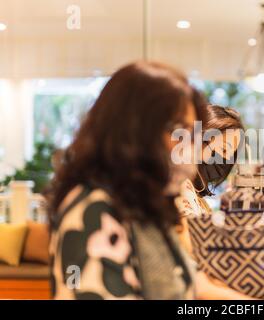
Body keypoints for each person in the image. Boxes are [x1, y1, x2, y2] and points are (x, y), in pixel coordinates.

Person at [47, 61, 205, 299]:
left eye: (192, 134)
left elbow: (188, 284)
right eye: (176, 130)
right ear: (134, 130)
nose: (187, 146)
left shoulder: (141, 204)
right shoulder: (94, 211)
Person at [175, 105, 252, 300]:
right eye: (224, 149)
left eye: (229, 154)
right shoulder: (176, 187)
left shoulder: (193, 190)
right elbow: (194, 248)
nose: (224, 159)